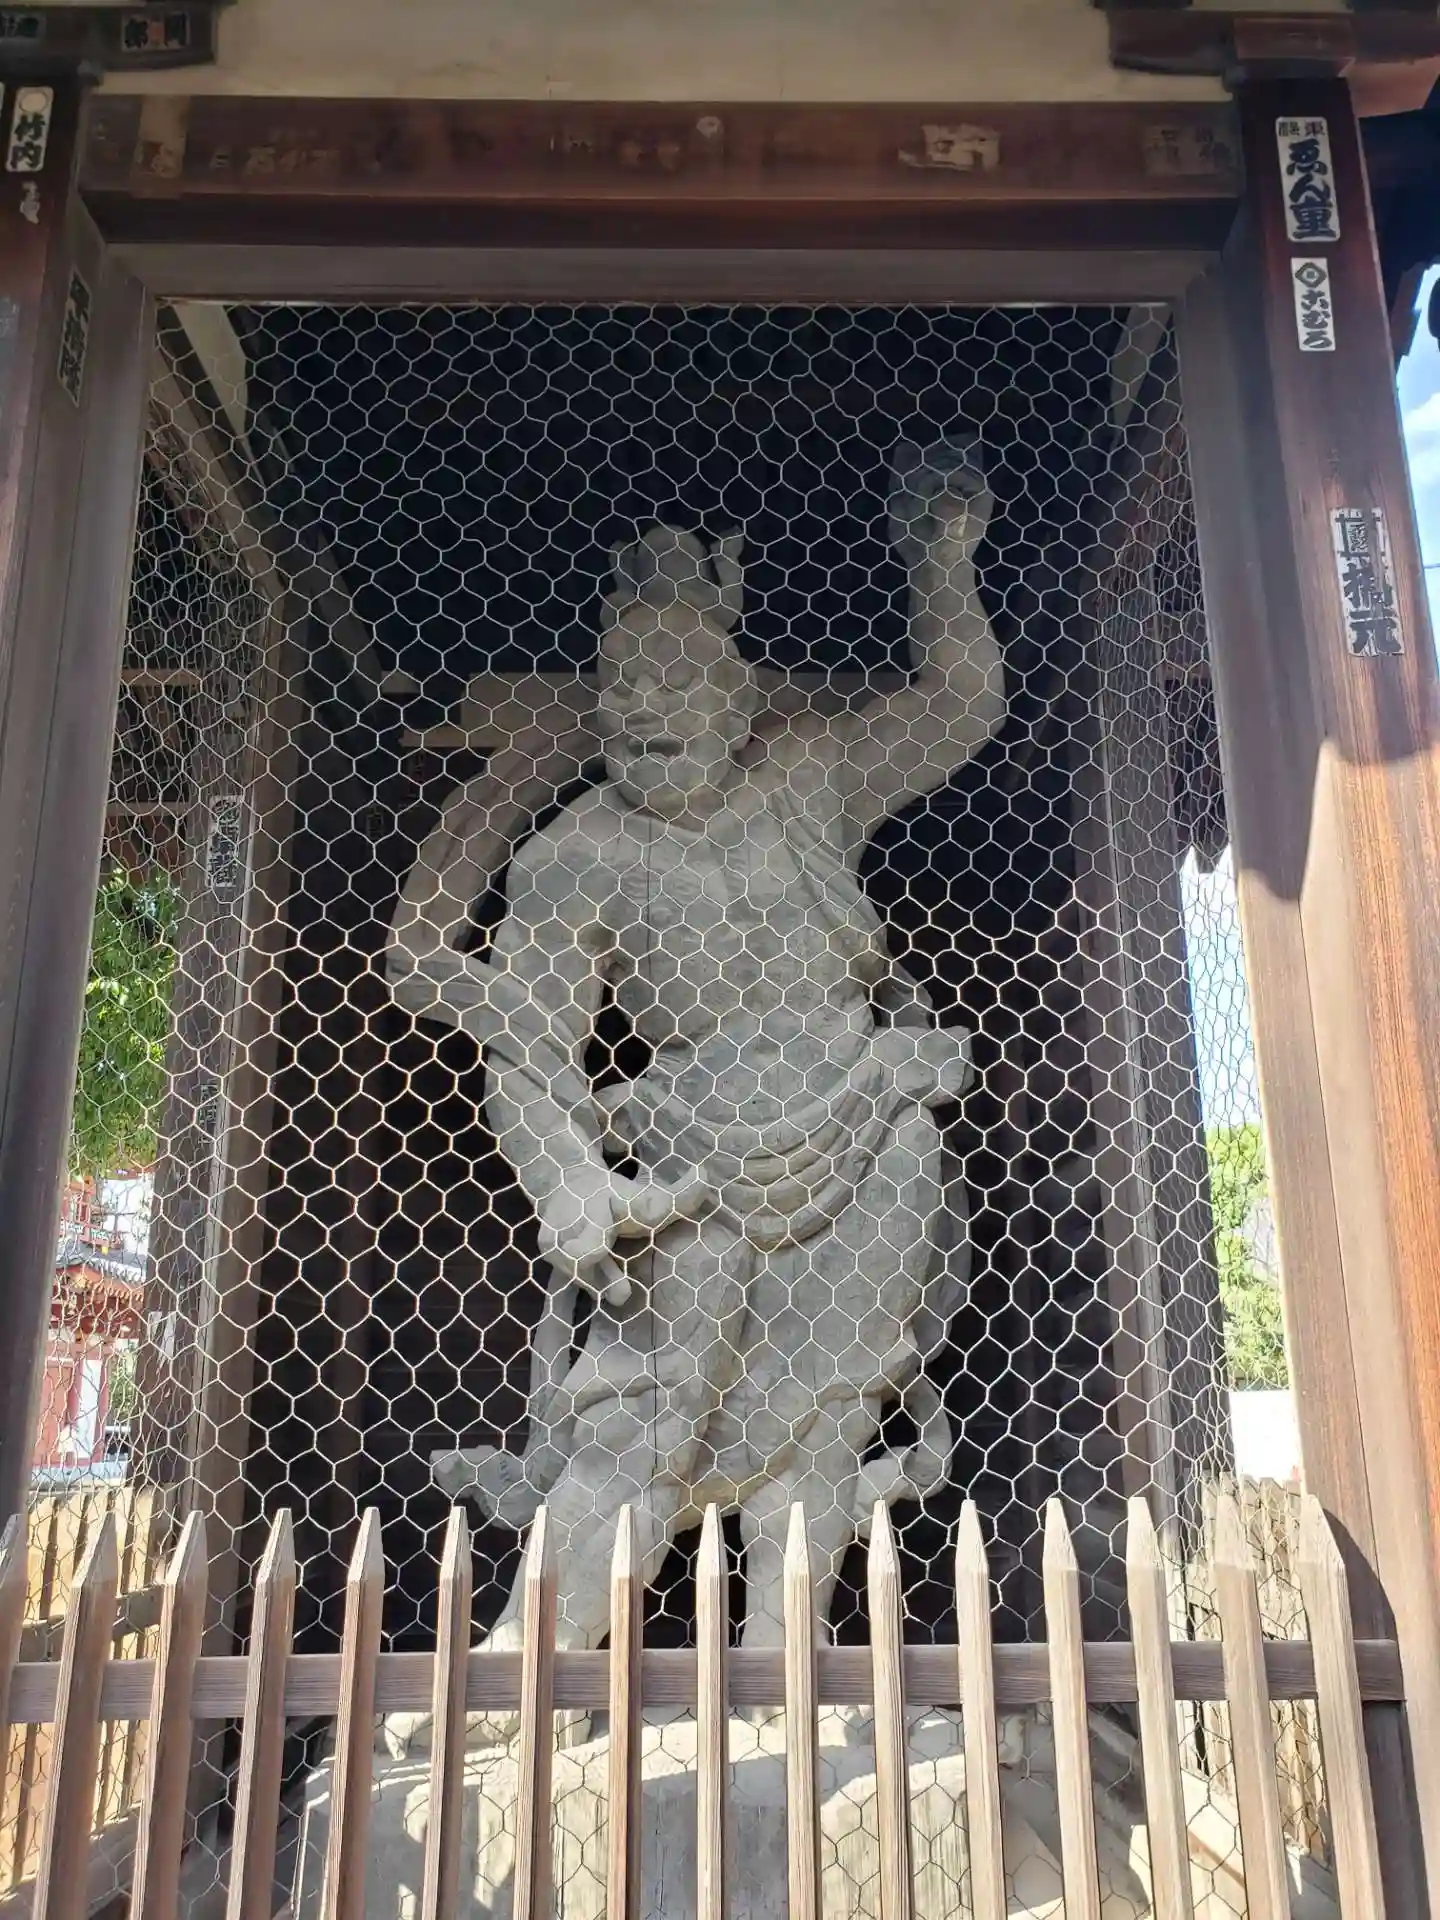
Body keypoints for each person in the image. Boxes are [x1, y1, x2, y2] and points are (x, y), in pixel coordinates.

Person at [406, 440, 1005, 1653]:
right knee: (640, 1421)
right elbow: (527, 1047)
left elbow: (960, 707)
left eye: (677, 678)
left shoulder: (812, 776)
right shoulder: (574, 856)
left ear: (740, 700)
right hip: (692, 1153)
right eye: (622, 686)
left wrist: (939, 562)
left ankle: (787, 1666)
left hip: (867, 1126)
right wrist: (570, 1184)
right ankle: (527, 1668)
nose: (644, 706)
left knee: (831, 1412)